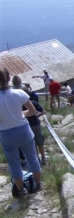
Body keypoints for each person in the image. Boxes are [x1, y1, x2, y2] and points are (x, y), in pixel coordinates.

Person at [0, 67, 41, 198]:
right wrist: (19, 113)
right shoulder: (19, 93)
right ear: (9, 78)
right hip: (23, 128)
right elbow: (33, 111)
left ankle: (21, 190)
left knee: (14, 162)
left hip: (6, 133)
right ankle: (37, 183)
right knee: (32, 157)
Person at [22, 86, 47, 165]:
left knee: (33, 143)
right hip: (37, 124)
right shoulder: (33, 102)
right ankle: (43, 158)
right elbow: (43, 111)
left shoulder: (20, 104)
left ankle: (37, 160)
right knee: (40, 141)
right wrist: (38, 115)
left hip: (28, 126)